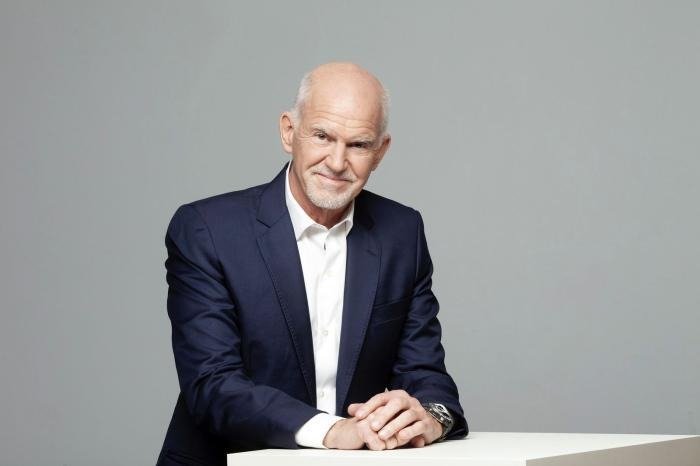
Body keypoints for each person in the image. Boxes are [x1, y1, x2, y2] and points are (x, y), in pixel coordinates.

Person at [156, 62, 467, 466]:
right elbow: (212, 384)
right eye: (322, 136)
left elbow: (425, 373)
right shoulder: (207, 230)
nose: (337, 162)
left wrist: (430, 416)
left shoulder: (401, 233)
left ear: (380, 152)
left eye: (358, 145)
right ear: (289, 131)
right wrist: (333, 431)